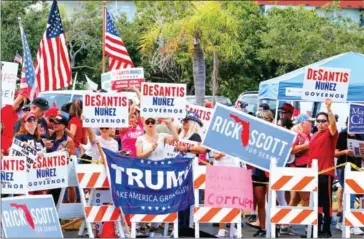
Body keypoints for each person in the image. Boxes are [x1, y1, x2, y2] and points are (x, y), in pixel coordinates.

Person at [307, 99, 338, 238]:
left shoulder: (330, 134)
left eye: (323, 121)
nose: (320, 123)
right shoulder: (314, 135)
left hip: (326, 173)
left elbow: (332, 126)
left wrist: (329, 109)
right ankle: (316, 229)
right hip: (313, 174)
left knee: (326, 203)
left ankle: (326, 229)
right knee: (316, 202)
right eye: (318, 121)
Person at [334, 118, 363, 235]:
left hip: (355, 167)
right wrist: (345, 152)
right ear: (346, 124)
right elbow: (335, 152)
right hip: (343, 167)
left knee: (352, 194)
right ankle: (349, 223)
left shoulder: (360, 136)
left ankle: (342, 222)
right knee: (350, 194)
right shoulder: (341, 135)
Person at [249, 110, 274, 238]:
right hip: (258, 169)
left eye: (264, 118)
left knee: (271, 201)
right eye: (259, 117)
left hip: (270, 170)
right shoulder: (255, 132)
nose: (261, 120)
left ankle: (273, 227)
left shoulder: (276, 133)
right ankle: (262, 227)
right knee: (260, 201)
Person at [46, 114, 76, 204]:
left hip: (61, 168)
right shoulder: (49, 134)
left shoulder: (68, 140)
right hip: (48, 168)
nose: (54, 125)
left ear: (64, 126)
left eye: (57, 123)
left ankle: (71, 207)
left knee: (70, 185)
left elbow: (72, 157)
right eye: (53, 123)